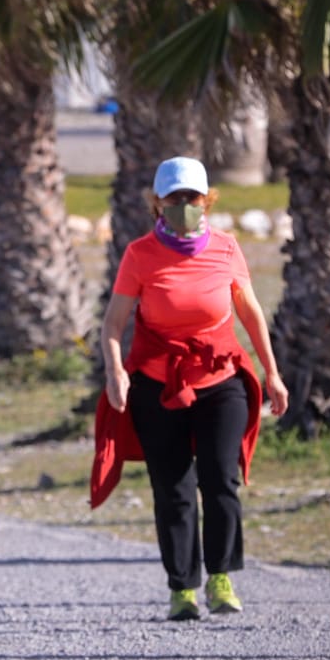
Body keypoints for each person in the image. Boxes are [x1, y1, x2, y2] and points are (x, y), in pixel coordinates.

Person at [91, 157, 289, 622]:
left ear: (207, 201)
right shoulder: (139, 254)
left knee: (221, 479)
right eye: (174, 199)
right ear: (157, 203)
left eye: (192, 199)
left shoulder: (225, 248)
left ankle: (221, 576)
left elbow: (251, 313)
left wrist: (272, 373)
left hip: (221, 379)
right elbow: (113, 325)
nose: (184, 206)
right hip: (159, 386)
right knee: (173, 488)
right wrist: (115, 370)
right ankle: (182, 588)